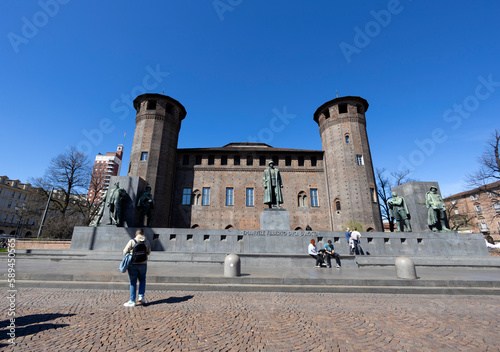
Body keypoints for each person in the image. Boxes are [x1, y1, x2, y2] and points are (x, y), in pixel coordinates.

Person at [123, 229, 151, 307]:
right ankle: (141, 296)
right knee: (142, 280)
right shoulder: (147, 242)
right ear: (143, 234)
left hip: (133, 264)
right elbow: (148, 252)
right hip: (143, 264)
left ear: (136, 234)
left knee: (133, 282)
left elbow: (124, 251)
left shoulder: (132, 241)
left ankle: (132, 301)